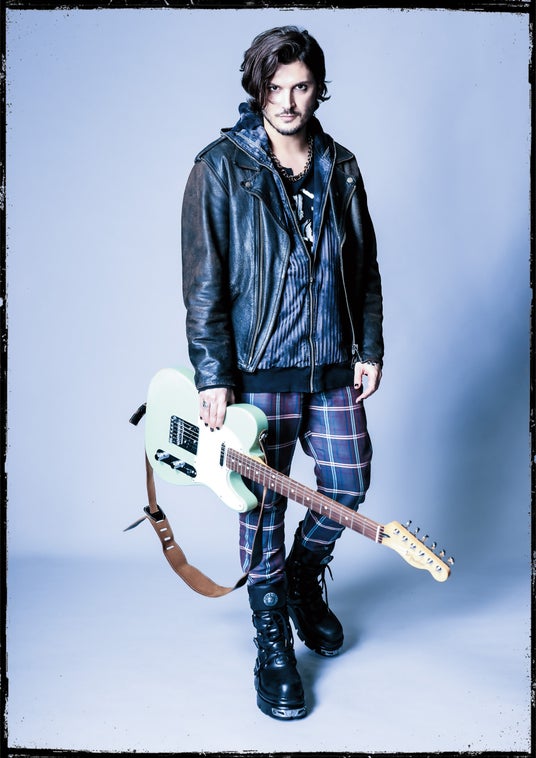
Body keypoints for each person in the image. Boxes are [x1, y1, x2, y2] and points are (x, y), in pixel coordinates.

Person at [181, 25, 383, 720]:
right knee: (261, 506)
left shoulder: (341, 166)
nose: (289, 102)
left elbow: (364, 267)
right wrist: (212, 373)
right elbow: (204, 284)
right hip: (257, 369)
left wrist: (369, 347)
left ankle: (301, 577)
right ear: (257, 88)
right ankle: (272, 640)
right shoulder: (220, 167)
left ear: (317, 88)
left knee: (347, 484)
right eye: (275, 88)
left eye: (301, 86)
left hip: (331, 363)